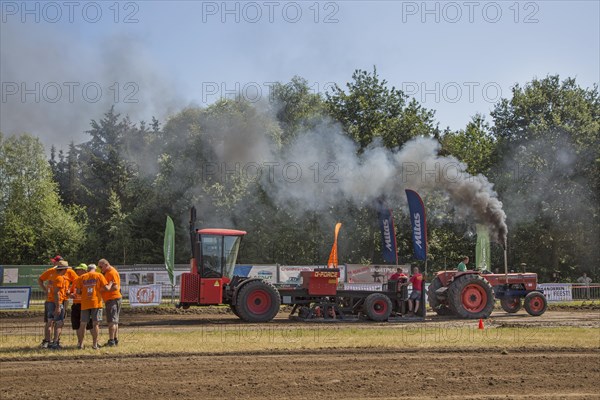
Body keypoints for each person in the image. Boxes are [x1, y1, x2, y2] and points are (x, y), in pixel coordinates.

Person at [37, 256, 77, 348]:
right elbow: (41, 280)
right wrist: (45, 290)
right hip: (55, 300)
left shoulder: (69, 273)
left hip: (62, 299)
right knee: (55, 321)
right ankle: (50, 341)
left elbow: (77, 281)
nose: (53, 263)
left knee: (53, 320)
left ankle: (52, 341)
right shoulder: (54, 274)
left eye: (55, 262)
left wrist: (70, 290)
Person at [74, 264, 113, 349]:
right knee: (95, 324)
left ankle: (81, 344)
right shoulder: (99, 275)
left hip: (85, 303)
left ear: (87, 269)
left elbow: (78, 291)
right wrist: (110, 283)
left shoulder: (82, 277)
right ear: (95, 269)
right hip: (96, 303)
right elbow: (106, 288)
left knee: (83, 324)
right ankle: (95, 344)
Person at [48, 261, 71, 349]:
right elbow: (56, 292)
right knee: (59, 322)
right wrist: (58, 306)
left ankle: (49, 342)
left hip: (50, 301)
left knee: (50, 321)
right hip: (57, 302)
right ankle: (55, 343)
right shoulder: (60, 278)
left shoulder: (53, 276)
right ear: (64, 270)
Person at [99, 259, 122, 346]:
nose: (100, 268)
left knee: (111, 321)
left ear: (106, 264)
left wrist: (103, 289)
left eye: (101, 266)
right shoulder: (109, 272)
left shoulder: (111, 273)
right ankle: (115, 339)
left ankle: (111, 340)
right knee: (114, 321)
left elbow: (115, 287)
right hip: (113, 299)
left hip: (112, 299)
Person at [70, 264, 93, 334]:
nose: (77, 271)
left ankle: (95, 342)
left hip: (85, 304)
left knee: (90, 324)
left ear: (84, 270)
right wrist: (71, 295)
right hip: (76, 304)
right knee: (77, 324)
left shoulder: (90, 280)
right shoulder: (76, 280)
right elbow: (71, 292)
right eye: (77, 270)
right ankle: (80, 342)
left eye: (79, 270)